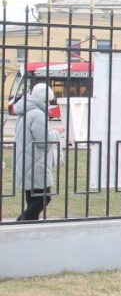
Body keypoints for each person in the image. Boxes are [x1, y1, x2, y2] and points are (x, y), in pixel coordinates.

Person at [14, 83, 64, 221]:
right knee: (43, 198)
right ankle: (20, 222)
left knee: (32, 198)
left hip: (24, 159)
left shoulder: (24, 111)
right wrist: (56, 132)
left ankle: (29, 225)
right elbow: (43, 141)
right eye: (48, 100)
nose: (49, 104)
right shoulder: (38, 114)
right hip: (36, 161)